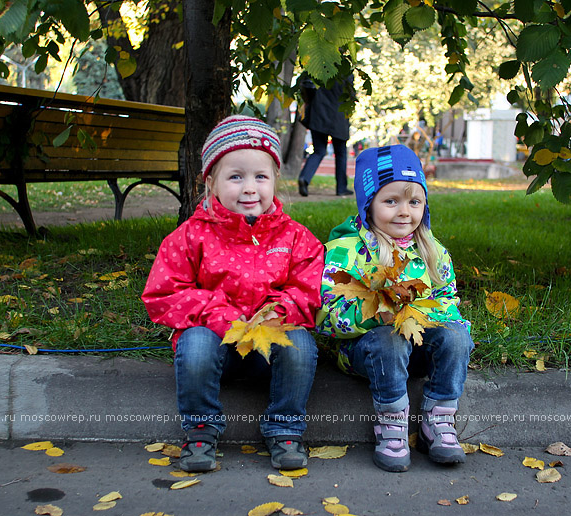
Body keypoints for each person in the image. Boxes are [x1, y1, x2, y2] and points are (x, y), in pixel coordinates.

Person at [141, 115, 324, 473]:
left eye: (260, 176)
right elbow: (164, 293)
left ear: (274, 180)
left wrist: (283, 310)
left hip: (269, 353)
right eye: (235, 177)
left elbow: (309, 285)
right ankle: (200, 431)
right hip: (216, 347)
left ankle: (285, 427)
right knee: (194, 345)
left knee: (301, 345)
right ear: (211, 182)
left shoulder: (295, 237)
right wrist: (218, 315)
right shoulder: (191, 236)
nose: (249, 188)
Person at [316, 144, 474, 473]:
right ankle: (392, 424)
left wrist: (434, 316)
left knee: (457, 336)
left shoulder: (433, 252)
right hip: (365, 351)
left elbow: (446, 299)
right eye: (391, 201)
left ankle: (439, 420)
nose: (405, 212)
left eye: (414, 201)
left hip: (417, 351)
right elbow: (325, 314)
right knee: (388, 339)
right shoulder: (345, 251)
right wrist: (377, 312)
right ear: (368, 204)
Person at [297, 75, 354, 197]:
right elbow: (351, 95)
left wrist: (311, 100)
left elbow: (306, 84)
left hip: (319, 113)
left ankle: (304, 177)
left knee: (319, 151)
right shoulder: (345, 70)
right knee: (341, 153)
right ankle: (341, 188)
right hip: (338, 117)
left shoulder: (319, 64)